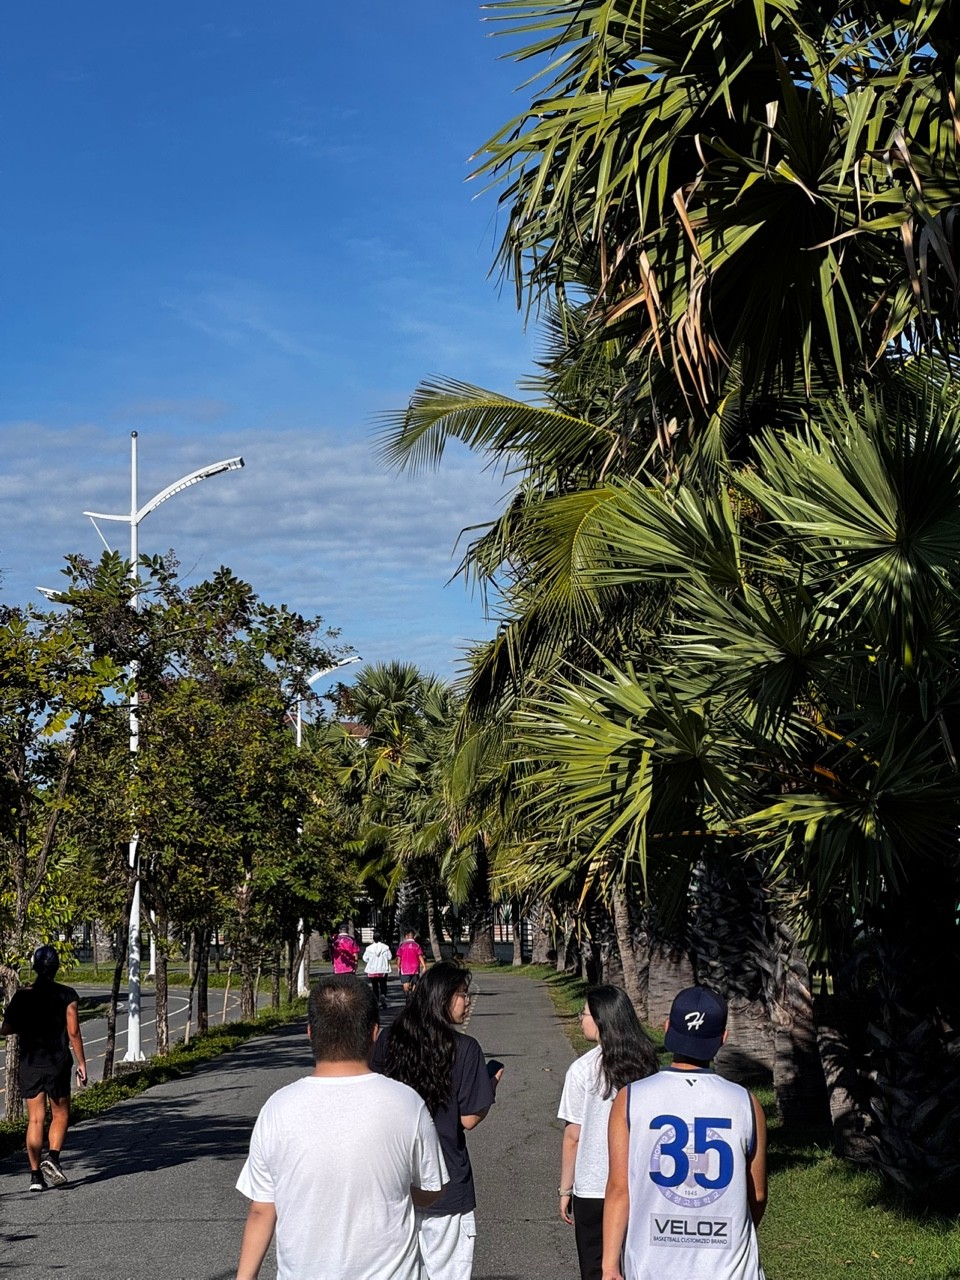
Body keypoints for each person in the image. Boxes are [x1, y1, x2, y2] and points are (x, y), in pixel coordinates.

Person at [235, 974, 447, 1280]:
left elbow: (262, 1209)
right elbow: (432, 1188)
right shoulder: (407, 1103)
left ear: (310, 1033)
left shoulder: (277, 1108)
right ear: (374, 1033)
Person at [602, 986, 768, 1280]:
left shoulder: (630, 1099)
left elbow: (619, 1188)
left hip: (653, 1267)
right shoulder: (746, 1103)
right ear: (723, 1038)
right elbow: (757, 1194)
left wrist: (609, 1266)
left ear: (667, 1028)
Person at [372, 961, 500, 1280]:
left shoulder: (389, 1040)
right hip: (445, 1181)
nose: (467, 1001)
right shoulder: (465, 1049)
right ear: (443, 997)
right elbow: (468, 1118)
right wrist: (490, 1086)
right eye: (462, 994)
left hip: (392, 1179)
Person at [557, 985, 658, 1280]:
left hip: (593, 1188)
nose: (580, 1019)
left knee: (597, 1269)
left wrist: (565, 1189)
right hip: (639, 1186)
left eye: (584, 1014)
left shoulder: (582, 1070)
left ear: (602, 1020)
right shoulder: (648, 1065)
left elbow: (573, 1137)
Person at [0, 944, 88, 1191]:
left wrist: (27, 1023)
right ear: (57, 967)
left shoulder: (22, 996)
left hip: (30, 1063)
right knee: (60, 1114)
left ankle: (35, 1176)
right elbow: (73, 1031)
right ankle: (54, 1158)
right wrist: (82, 1063)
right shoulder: (67, 995)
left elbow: (5, 1029)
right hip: (57, 1062)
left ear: (35, 967)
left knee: (35, 1119)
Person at [362, 930, 392, 1008]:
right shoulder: (385, 947)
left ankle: (376, 1000)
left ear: (373, 938)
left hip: (372, 970)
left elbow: (365, 958)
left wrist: (371, 961)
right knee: (383, 984)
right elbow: (389, 957)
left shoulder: (369, 948)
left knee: (374, 986)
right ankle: (383, 995)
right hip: (383, 969)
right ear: (381, 938)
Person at [395, 928, 426, 1000]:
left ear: (406, 936)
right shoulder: (417, 945)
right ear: (413, 936)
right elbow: (420, 956)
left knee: (405, 983)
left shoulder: (402, 945)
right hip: (415, 968)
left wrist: (398, 966)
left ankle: (407, 997)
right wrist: (424, 966)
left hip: (405, 968)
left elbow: (399, 957)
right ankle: (413, 996)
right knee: (415, 983)